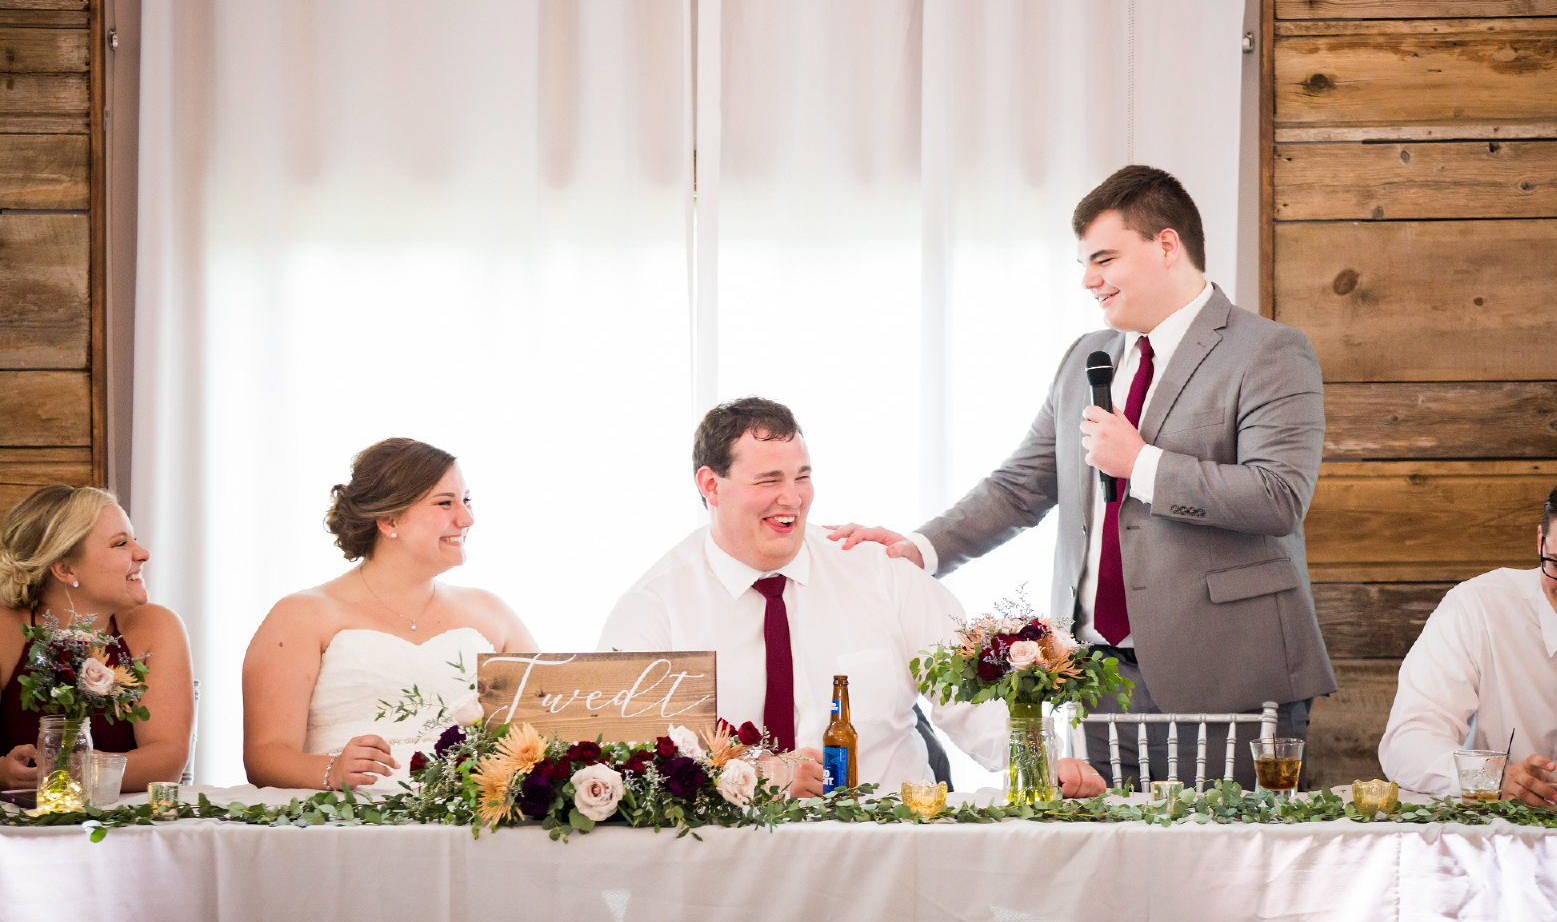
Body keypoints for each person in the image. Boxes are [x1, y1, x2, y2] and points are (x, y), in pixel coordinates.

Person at [830, 165, 1336, 788]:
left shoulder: (1269, 351)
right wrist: (921, 547)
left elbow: (1278, 496)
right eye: (1083, 264)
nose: (1089, 280)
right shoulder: (1084, 359)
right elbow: (1021, 486)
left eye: (1103, 258)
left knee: (1224, 875)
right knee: (1109, 871)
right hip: (1095, 680)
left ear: (1167, 245)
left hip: (1229, 674)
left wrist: (1141, 464)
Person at [597, 396, 1108, 799]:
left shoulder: (880, 574)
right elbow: (626, 760)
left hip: (890, 857)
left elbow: (977, 703)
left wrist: (1045, 765)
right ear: (711, 485)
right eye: (768, 480)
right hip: (726, 866)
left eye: (802, 476)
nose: (792, 498)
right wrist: (756, 776)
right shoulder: (653, 609)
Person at [242, 438, 539, 791]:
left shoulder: (491, 611)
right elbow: (265, 756)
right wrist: (331, 771)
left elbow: (550, 722)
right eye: (445, 503)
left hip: (472, 822)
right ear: (387, 519)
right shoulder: (302, 615)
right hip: (352, 822)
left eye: (467, 500)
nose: (467, 518)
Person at [1380, 469, 1557, 805]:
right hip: (1499, 838)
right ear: (1540, 541)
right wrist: (1489, 776)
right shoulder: (1477, 607)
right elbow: (1407, 741)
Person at [0, 485, 194, 792]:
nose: (143, 554)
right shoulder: (7, 628)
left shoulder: (157, 627)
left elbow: (166, 760)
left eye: (135, 539)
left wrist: (84, 771)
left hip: (127, 828)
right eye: (120, 544)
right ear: (65, 568)